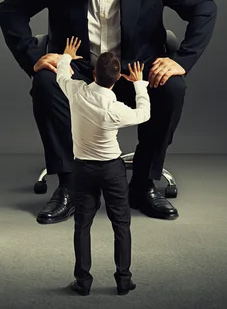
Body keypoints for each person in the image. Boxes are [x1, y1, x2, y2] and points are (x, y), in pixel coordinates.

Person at [0, 0, 217, 223]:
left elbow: (204, 7)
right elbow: (10, 10)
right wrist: (33, 56)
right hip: (81, 73)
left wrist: (183, 59)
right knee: (46, 82)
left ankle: (142, 185)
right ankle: (69, 187)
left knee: (173, 86)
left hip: (134, 71)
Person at [56, 36, 149, 296]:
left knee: (82, 225)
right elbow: (144, 114)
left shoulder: (76, 92)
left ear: (93, 74)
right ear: (118, 79)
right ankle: (123, 280)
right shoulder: (116, 109)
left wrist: (67, 56)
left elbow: (61, 75)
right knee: (121, 224)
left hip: (83, 169)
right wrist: (140, 84)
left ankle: (83, 282)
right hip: (112, 170)